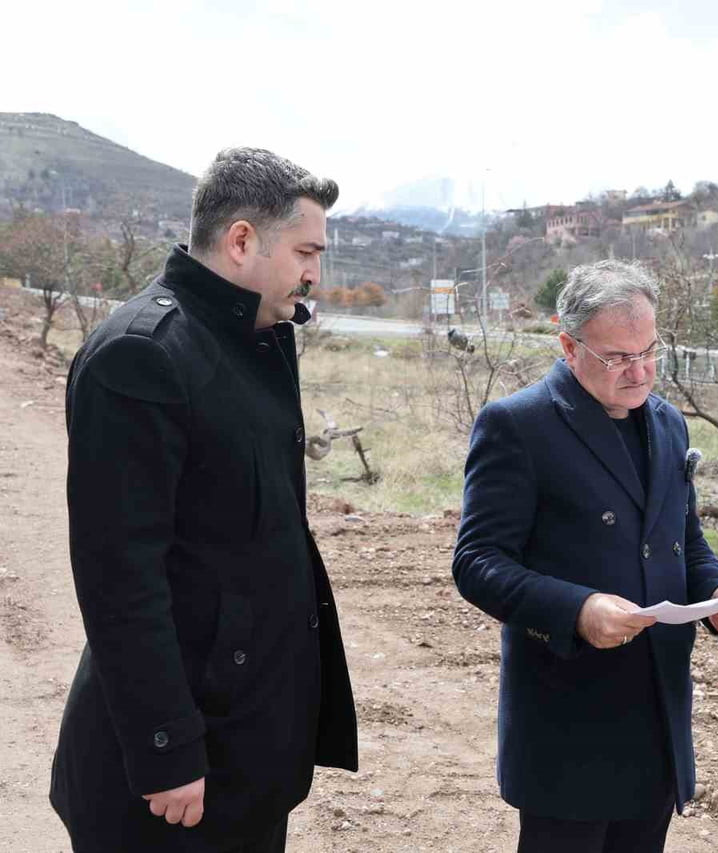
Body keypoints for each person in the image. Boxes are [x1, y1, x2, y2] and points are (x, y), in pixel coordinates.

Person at [50, 147, 358, 852]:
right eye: (306, 250)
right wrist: (165, 747)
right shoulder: (143, 354)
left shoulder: (250, 344)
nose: (315, 273)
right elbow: (119, 576)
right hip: (168, 782)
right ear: (242, 239)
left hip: (244, 753)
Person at [452, 260, 718, 853]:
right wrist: (578, 609)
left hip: (657, 709)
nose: (639, 371)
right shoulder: (518, 425)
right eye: (618, 357)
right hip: (568, 720)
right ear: (569, 345)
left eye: (650, 351)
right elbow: (478, 561)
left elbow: (684, 540)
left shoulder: (668, 424)